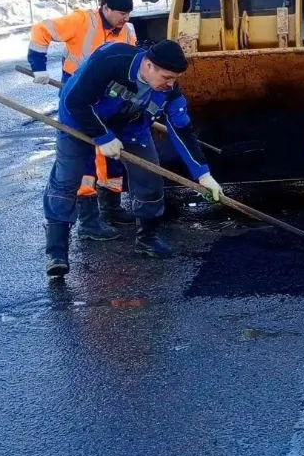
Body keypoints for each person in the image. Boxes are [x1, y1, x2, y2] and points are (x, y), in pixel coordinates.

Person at [41, 39, 224, 279]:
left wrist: (203, 174)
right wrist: (103, 136)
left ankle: (147, 239)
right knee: (66, 180)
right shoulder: (111, 61)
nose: (171, 84)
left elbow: (182, 130)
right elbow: (75, 102)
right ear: (148, 66)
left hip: (131, 127)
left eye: (175, 79)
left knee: (150, 179)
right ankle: (57, 253)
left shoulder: (169, 91)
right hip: (79, 121)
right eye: (167, 77)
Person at [28, 0, 140, 239]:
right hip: (77, 97)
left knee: (112, 150)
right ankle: (89, 222)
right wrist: (38, 68)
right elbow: (41, 30)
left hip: (108, 99)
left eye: (128, 13)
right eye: (121, 13)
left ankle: (111, 207)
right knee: (85, 154)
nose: (126, 18)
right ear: (105, 8)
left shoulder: (128, 30)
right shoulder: (81, 21)